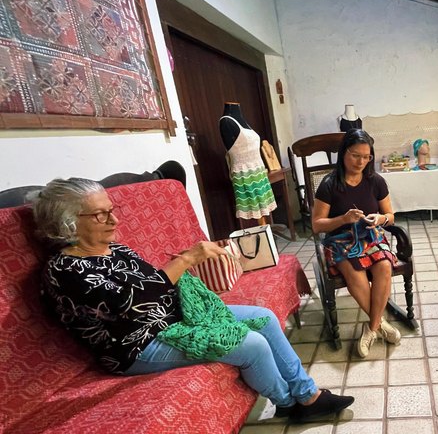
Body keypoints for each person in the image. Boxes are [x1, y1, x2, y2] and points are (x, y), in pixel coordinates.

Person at [31, 177, 354, 423]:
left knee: (264, 317)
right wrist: (186, 260)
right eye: (100, 215)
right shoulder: (65, 270)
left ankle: (307, 393)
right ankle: (289, 404)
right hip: (135, 345)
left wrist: (186, 282)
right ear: (68, 223)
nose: (114, 221)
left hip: (172, 319)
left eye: (111, 211)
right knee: (252, 345)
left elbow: (155, 285)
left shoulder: (114, 249)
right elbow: (130, 305)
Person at [311, 129, 401, 358]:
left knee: (384, 265)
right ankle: (379, 324)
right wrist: (343, 219)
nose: (361, 161)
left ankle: (370, 328)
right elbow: (317, 225)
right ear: (343, 153)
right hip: (341, 241)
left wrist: (381, 219)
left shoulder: (376, 181)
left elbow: (390, 215)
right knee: (354, 271)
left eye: (366, 156)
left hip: (370, 236)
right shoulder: (329, 184)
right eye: (355, 155)